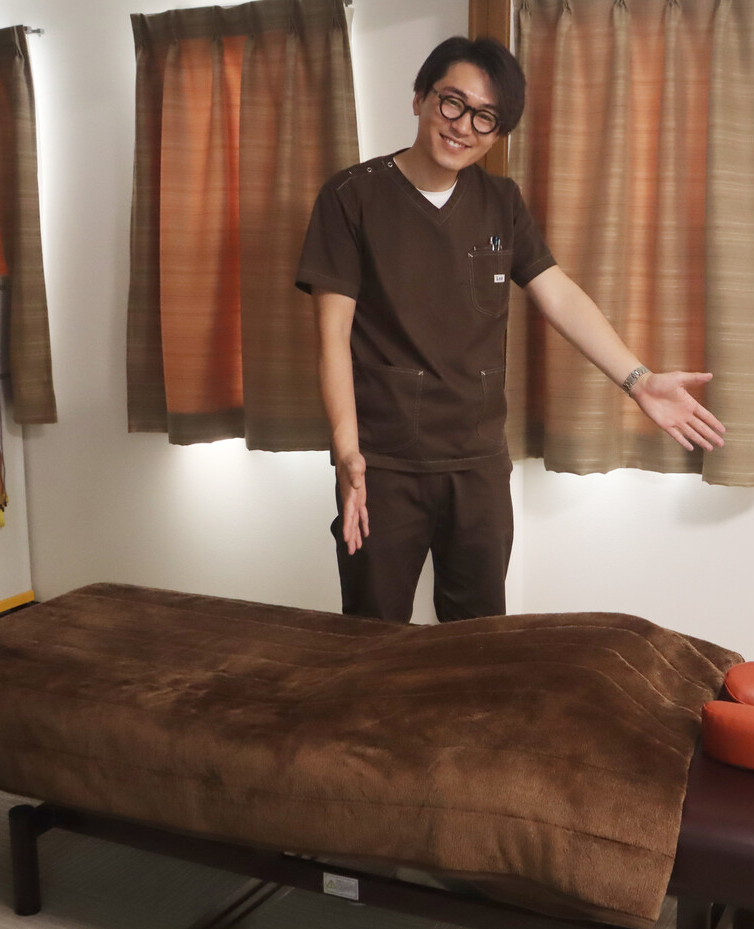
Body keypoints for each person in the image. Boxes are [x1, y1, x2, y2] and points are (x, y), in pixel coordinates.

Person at [295, 36, 724, 624]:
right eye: (452, 102)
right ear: (420, 98)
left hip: (478, 465)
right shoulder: (351, 198)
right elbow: (333, 340)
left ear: (497, 133)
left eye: (485, 117)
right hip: (382, 465)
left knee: (481, 642)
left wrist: (639, 381)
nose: (463, 126)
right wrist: (347, 451)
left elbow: (559, 294)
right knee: (372, 637)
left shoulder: (500, 201)